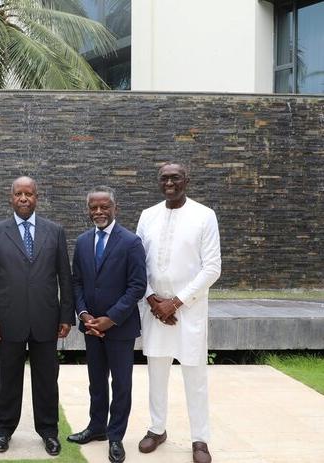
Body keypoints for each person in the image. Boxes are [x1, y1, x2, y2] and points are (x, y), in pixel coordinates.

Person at [0, 176, 74, 457]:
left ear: (37, 197)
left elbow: (65, 277)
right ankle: (3, 431)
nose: (24, 198)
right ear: (10, 197)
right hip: (8, 320)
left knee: (47, 380)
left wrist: (66, 315)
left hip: (47, 319)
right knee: (7, 379)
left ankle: (49, 432)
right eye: (19, 194)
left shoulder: (54, 231)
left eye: (29, 194)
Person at [136, 162, 221, 463]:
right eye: (164, 178)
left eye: (175, 178)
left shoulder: (204, 215)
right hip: (155, 309)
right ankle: (157, 429)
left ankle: (200, 439)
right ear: (158, 181)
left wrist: (175, 302)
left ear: (187, 179)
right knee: (156, 372)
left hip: (189, 309)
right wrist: (152, 300)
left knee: (195, 376)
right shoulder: (147, 215)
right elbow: (137, 263)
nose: (169, 183)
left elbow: (212, 268)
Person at [66, 186, 147, 463]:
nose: (99, 212)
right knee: (96, 382)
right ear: (88, 210)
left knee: (121, 384)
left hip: (120, 327)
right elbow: (77, 282)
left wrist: (111, 319)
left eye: (104, 207)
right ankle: (97, 427)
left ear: (115, 208)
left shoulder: (131, 242)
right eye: (94, 208)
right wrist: (83, 314)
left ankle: (115, 437)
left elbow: (137, 286)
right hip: (91, 327)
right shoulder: (83, 241)